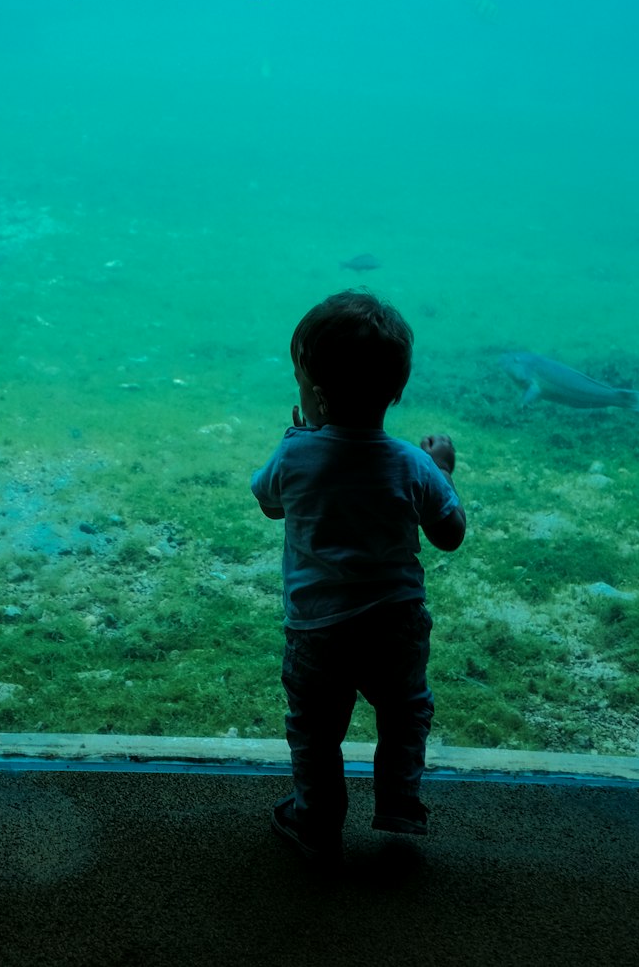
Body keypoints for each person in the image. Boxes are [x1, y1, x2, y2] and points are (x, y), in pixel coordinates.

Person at [250, 290, 466, 863]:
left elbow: (269, 502)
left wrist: (295, 440)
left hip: (318, 631)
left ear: (315, 394)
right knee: (404, 712)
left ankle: (315, 821)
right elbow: (449, 534)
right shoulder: (411, 463)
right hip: (395, 625)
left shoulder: (296, 456)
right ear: (395, 391)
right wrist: (443, 470)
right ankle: (399, 801)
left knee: (315, 732)